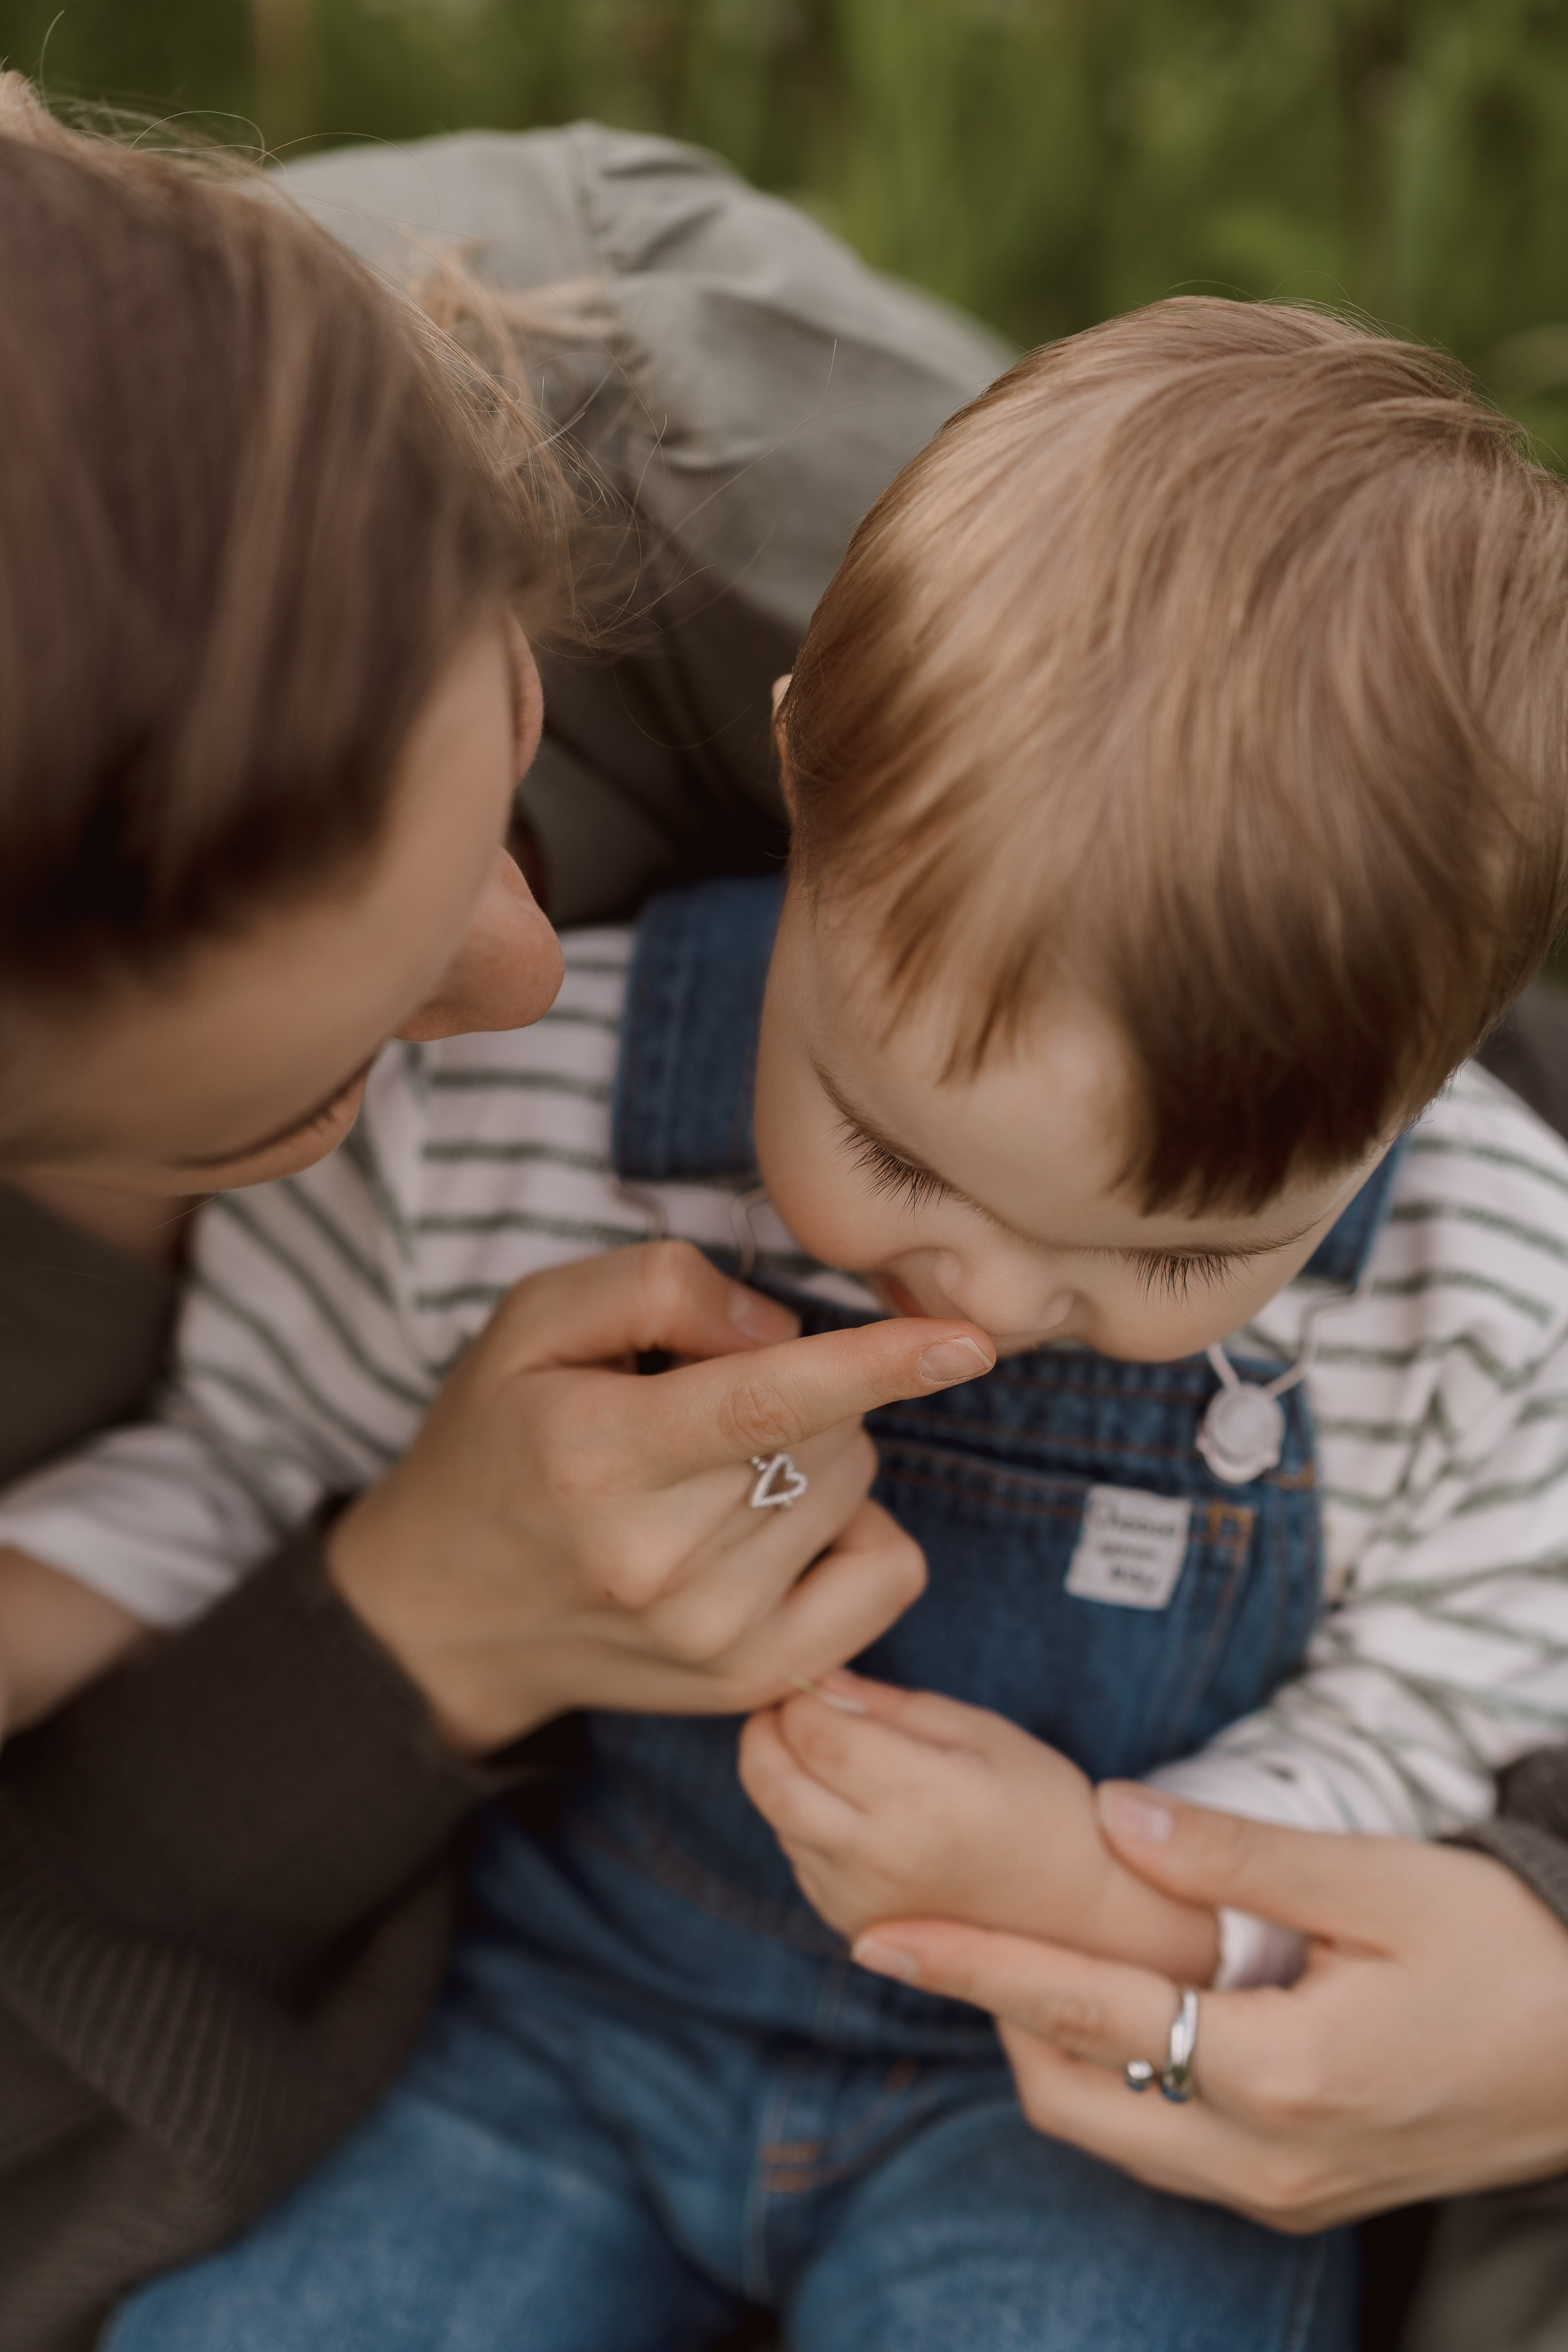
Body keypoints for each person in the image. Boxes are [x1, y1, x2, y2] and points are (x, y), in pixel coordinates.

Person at [30, 299, 1568, 2350]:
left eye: (1184, 1263)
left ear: (1429, 1083)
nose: (1000, 1298)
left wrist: (1112, 1895)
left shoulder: (1486, 1288)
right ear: (799, 791)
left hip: (1069, 2101)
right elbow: (250, 1457)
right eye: (893, 1150)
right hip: (563, 2029)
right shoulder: (523, 1116)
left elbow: (1461, 1694)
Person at [0, 81, 1010, 2352]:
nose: (536, 972)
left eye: (514, 716)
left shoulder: (720, 458)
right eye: (310, 1080)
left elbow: (1449, 1095)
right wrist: (405, 1646)